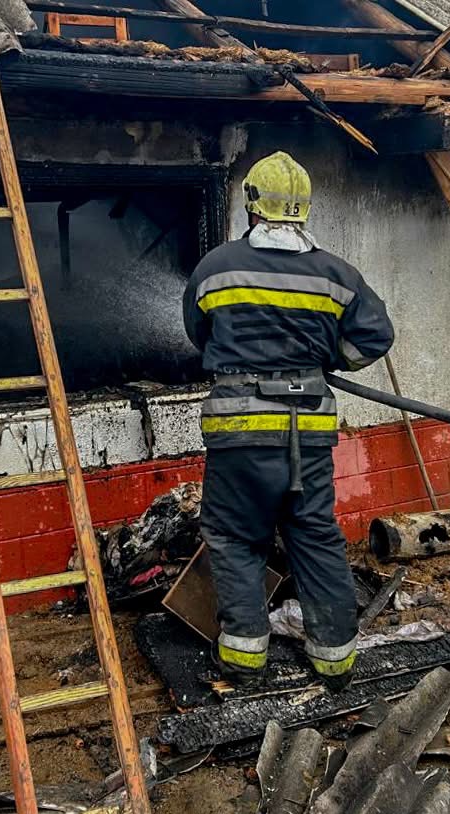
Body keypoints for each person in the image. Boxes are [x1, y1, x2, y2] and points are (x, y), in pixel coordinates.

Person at [182, 151, 394, 692]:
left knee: (234, 535)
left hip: (239, 433)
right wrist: (326, 359)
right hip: (309, 431)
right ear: (303, 208)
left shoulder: (216, 267)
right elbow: (374, 336)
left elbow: (198, 335)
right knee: (315, 534)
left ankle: (245, 659)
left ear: (252, 204)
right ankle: (334, 660)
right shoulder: (337, 274)